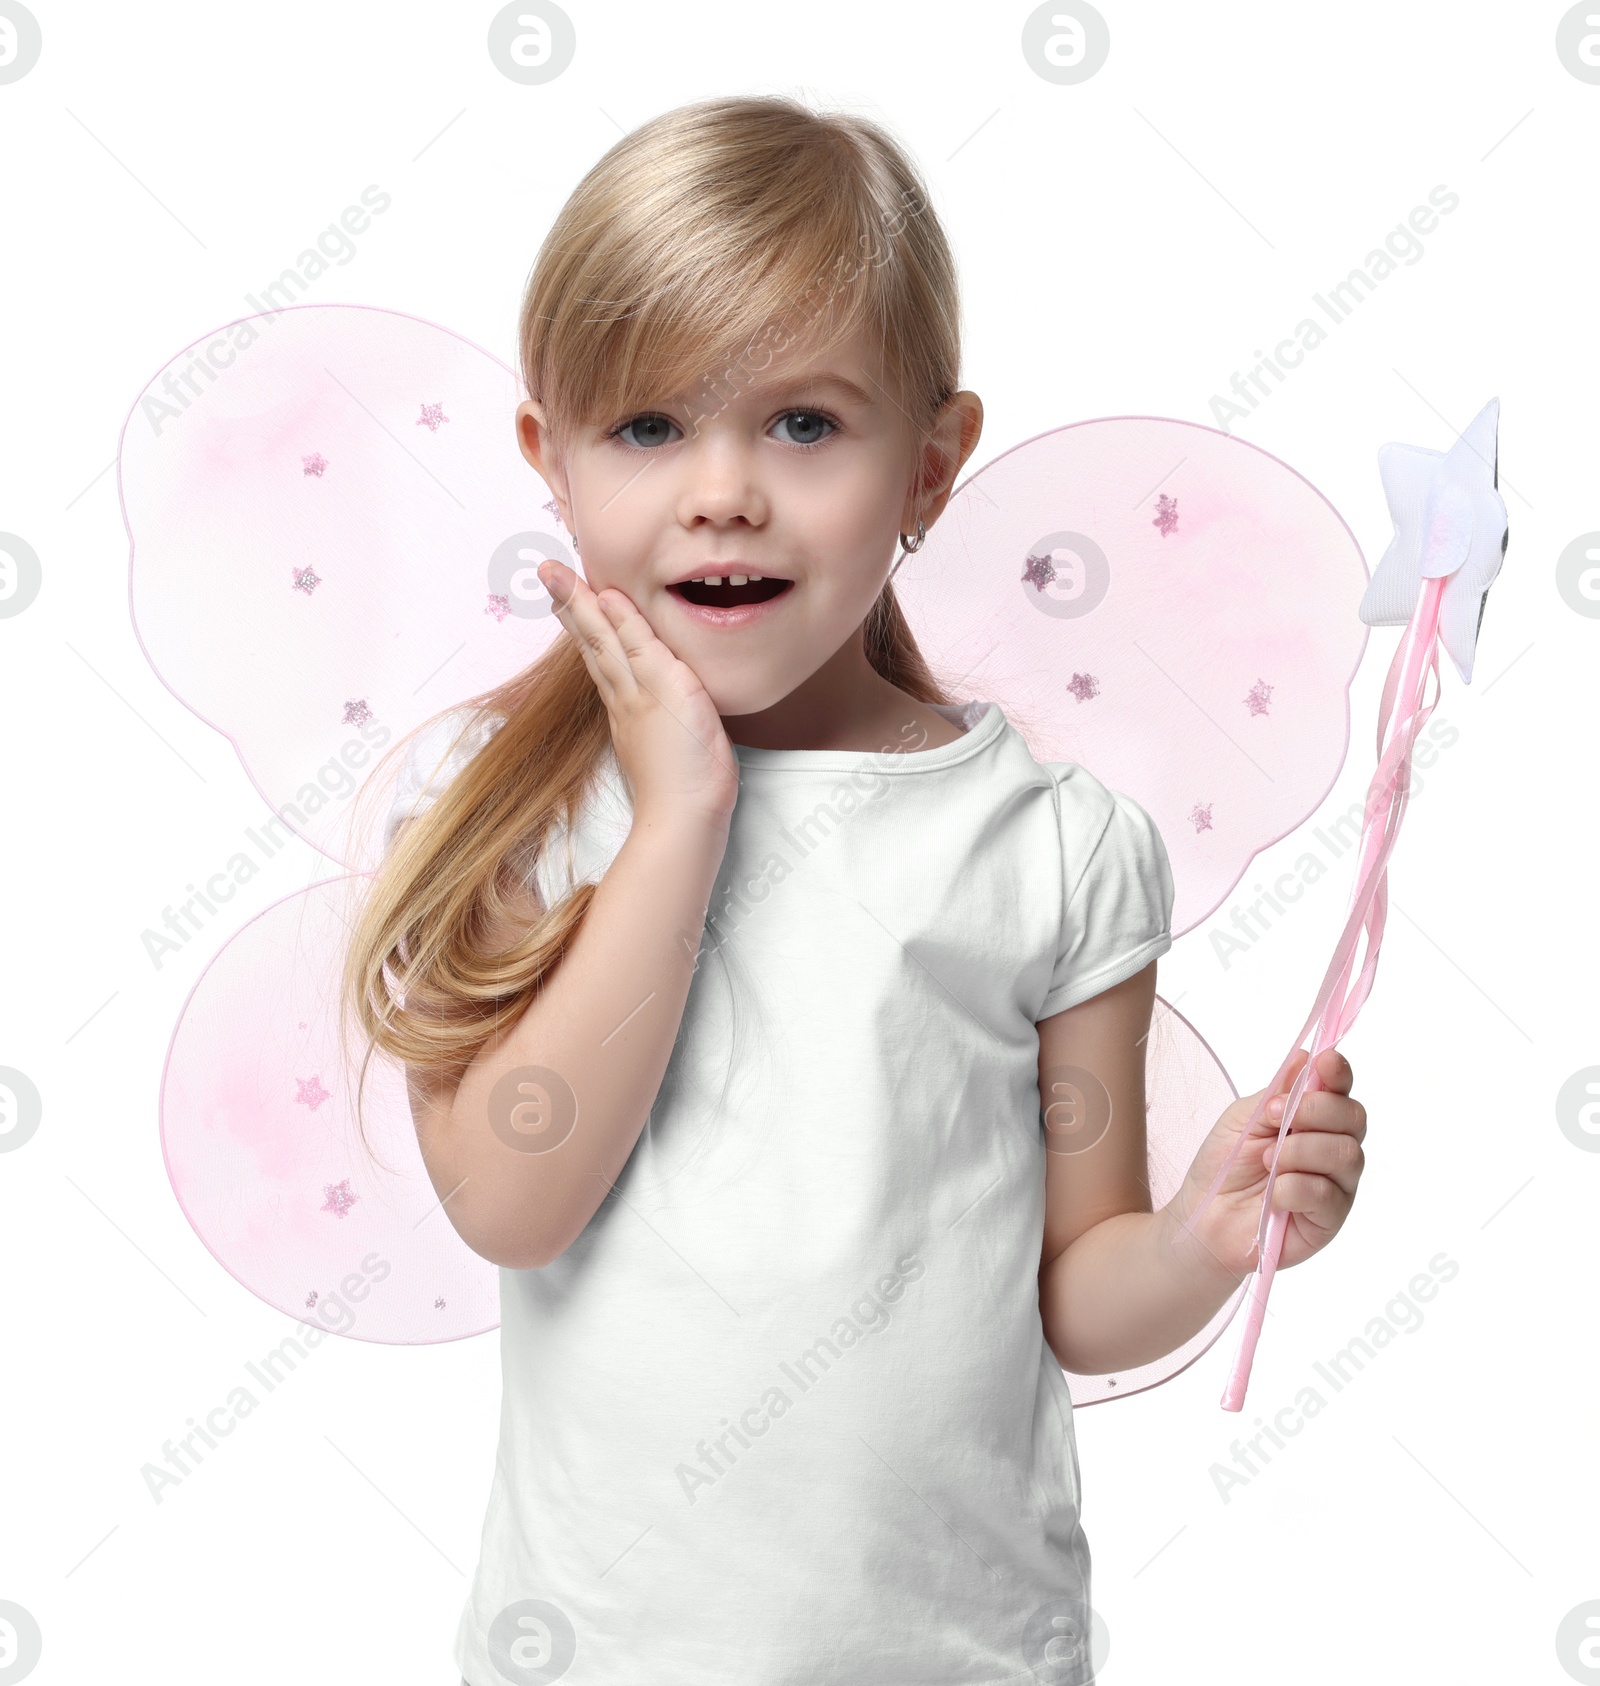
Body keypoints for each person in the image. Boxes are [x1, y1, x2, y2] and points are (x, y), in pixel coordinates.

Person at [348, 92, 1368, 1686]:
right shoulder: (502, 808)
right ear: (550, 460)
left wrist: (1202, 1238)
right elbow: (512, 1198)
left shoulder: (1048, 844)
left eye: (807, 425)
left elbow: (1075, 1294)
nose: (724, 490)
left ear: (932, 466)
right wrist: (681, 810)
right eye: (648, 426)